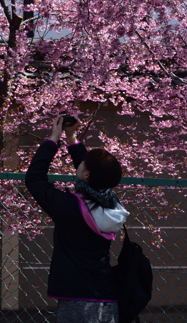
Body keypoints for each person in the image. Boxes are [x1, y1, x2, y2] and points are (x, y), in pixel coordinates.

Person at [25, 114, 129, 323]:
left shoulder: (70, 208)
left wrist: (53, 139)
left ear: (87, 174)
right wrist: (72, 138)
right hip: (107, 299)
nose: (80, 164)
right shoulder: (112, 205)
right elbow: (90, 176)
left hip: (76, 301)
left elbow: (35, 179)